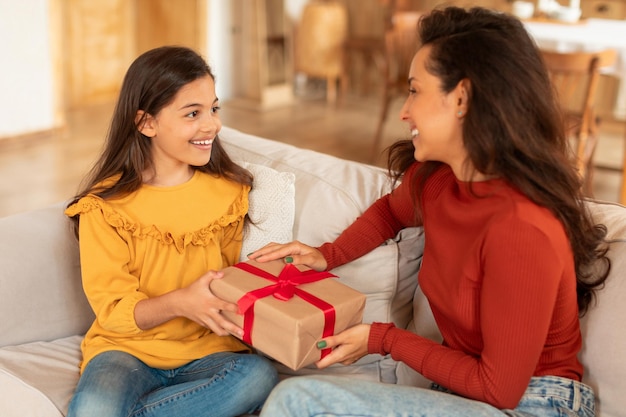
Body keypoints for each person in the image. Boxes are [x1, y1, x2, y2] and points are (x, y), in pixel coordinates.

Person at [250, 6, 610, 417]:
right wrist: (327, 255)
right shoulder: (439, 181)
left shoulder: (522, 228)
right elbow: (389, 212)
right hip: (464, 396)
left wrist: (383, 339)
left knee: (297, 401)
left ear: (461, 98)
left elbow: (499, 389)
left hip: (535, 404)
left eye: (415, 90)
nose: (404, 111)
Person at [64, 46, 278, 417]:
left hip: (210, 352)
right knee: (94, 409)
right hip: (125, 350)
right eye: (192, 113)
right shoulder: (104, 207)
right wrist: (180, 302)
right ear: (146, 122)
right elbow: (113, 311)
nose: (211, 124)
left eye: (213, 108)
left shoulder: (229, 192)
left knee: (258, 377)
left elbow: (228, 280)